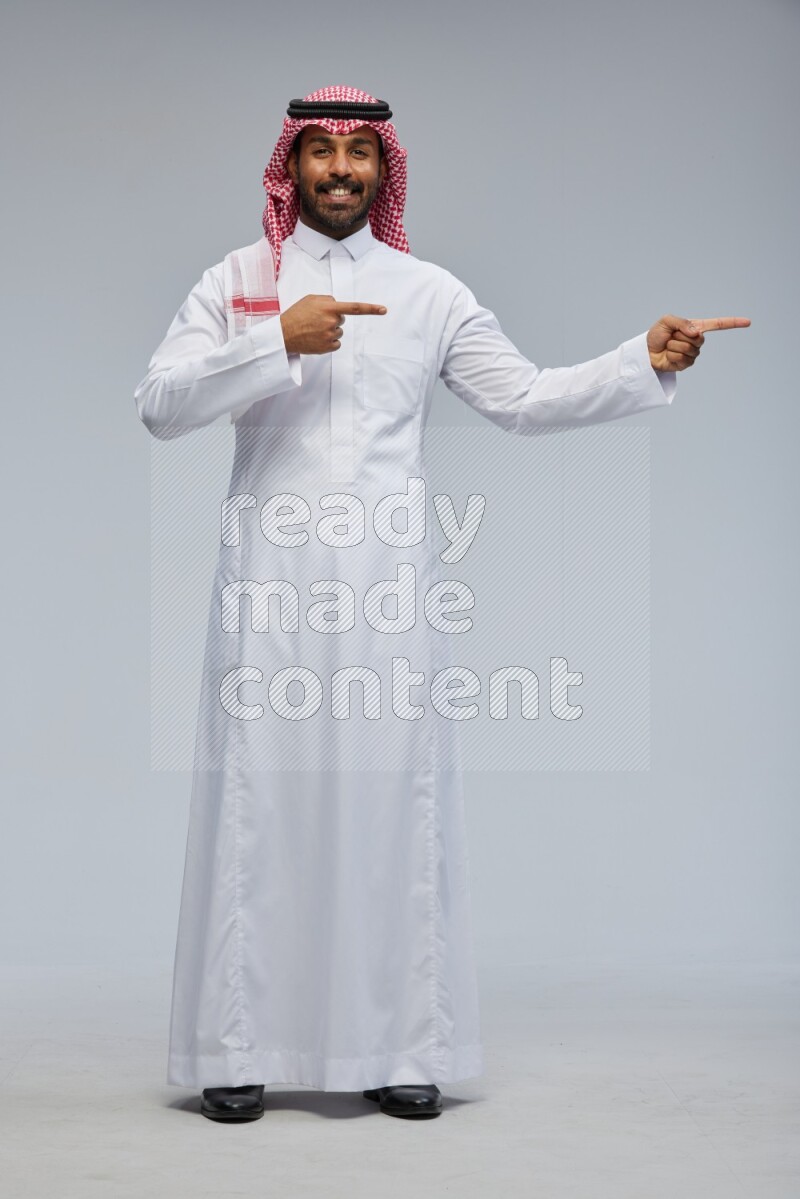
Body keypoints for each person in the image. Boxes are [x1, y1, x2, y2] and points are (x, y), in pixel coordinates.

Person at [133, 85, 749, 1123]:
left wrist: (638, 361)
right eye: (319, 151)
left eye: (358, 153)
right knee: (260, 808)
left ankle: (399, 1044)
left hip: (387, 590)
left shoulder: (430, 292)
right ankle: (236, 1045)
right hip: (271, 592)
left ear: (385, 168)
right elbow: (158, 406)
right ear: (289, 165)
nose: (338, 170)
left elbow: (521, 398)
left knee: (389, 806)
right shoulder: (238, 282)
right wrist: (274, 339)